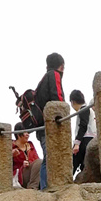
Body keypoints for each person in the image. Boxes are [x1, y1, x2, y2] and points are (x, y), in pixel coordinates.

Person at [33, 53, 65, 189]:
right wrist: (63, 115)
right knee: (50, 157)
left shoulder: (43, 80)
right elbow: (57, 97)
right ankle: (47, 187)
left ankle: (45, 186)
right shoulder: (54, 75)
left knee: (48, 157)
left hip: (41, 127)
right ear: (61, 66)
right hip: (50, 125)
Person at [68, 89, 96, 177]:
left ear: (72, 102)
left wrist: (77, 143)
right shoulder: (89, 110)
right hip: (90, 139)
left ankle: (65, 181)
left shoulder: (84, 109)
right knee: (84, 165)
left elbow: (83, 126)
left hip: (84, 140)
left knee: (72, 164)